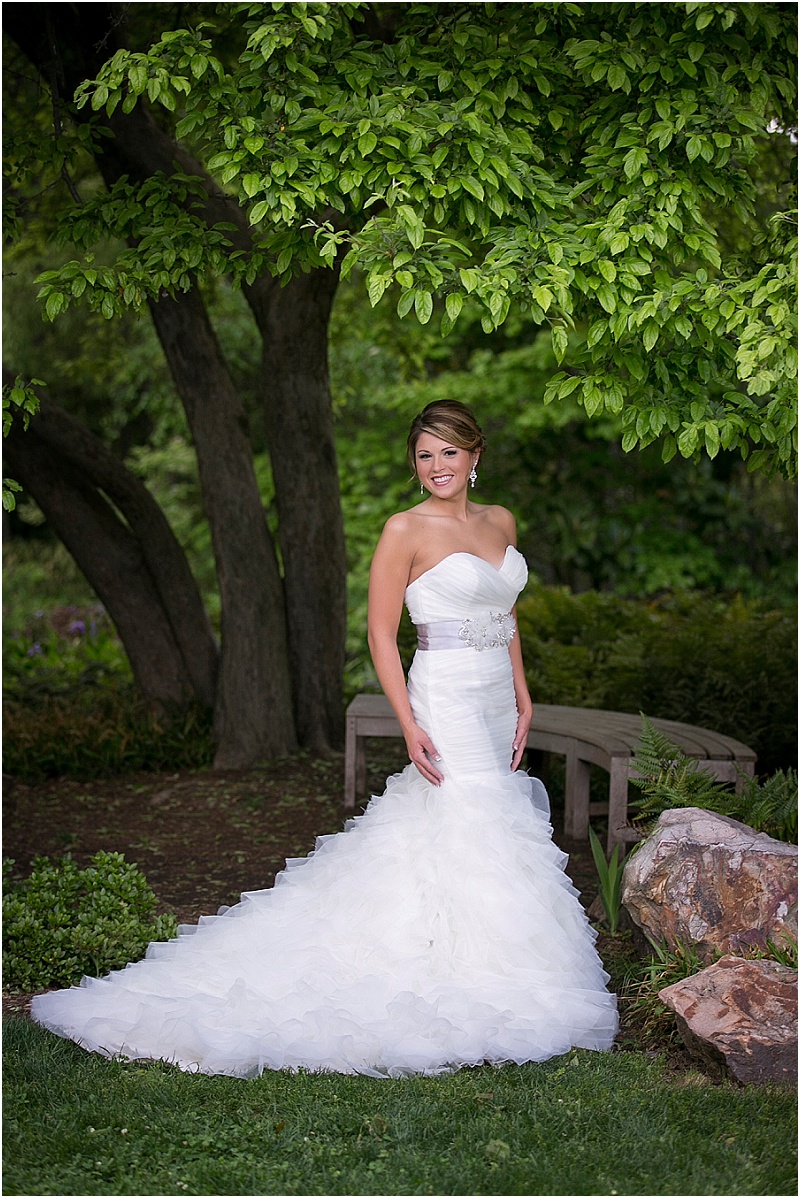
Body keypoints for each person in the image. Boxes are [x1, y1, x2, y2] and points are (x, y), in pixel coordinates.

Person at [32, 400, 617, 1077]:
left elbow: (505, 614)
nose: (437, 467)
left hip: (493, 693)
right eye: (425, 455)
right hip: (445, 693)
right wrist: (409, 721)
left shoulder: (501, 522)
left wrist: (522, 693)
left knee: (481, 819)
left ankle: (483, 957)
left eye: (449, 452)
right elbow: (380, 634)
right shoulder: (405, 529)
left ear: (475, 455)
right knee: (473, 811)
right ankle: (473, 975)